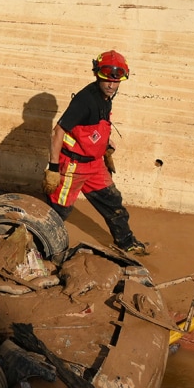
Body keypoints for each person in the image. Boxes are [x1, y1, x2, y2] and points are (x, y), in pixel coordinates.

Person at [43, 50, 148, 255]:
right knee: (58, 212)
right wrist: (53, 169)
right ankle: (40, 248)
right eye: (106, 79)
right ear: (97, 75)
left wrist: (105, 147)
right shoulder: (84, 101)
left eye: (115, 81)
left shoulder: (106, 96)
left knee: (113, 202)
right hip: (72, 167)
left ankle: (126, 243)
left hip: (94, 165)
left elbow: (95, 128)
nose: (110, 84)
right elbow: (58, 132)